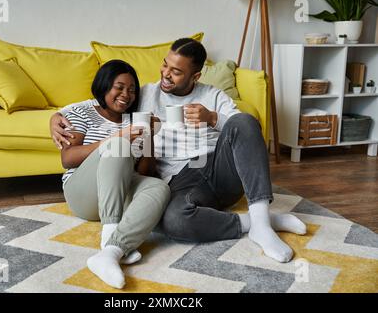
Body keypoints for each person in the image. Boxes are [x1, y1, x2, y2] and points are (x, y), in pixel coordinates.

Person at [51, 39, 306, 264]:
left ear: (195, 76)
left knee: (245, 121)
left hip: (218, 169)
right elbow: (106, 99)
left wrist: (213, 118)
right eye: (165, 65)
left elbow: (247, 132)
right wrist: (56, 116)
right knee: (173, 223)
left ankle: (261, 222)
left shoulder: (213, 96)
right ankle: (258, 222)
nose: (165, 74)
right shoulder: (145, 93)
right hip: (178, 180)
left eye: (176, 72)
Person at [60, 59, 170, 289]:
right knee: (119, 146)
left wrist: (149, 136)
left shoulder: (135, 120)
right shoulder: (82, 111)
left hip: (119, 195)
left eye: (131, 90)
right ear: (104, 85)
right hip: (83, 194)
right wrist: (118, 138)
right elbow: (67, 158)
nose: (125, 94)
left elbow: (142, 173)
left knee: (159, 187)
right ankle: (109, 233)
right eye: (118, 87)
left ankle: (112, 251)